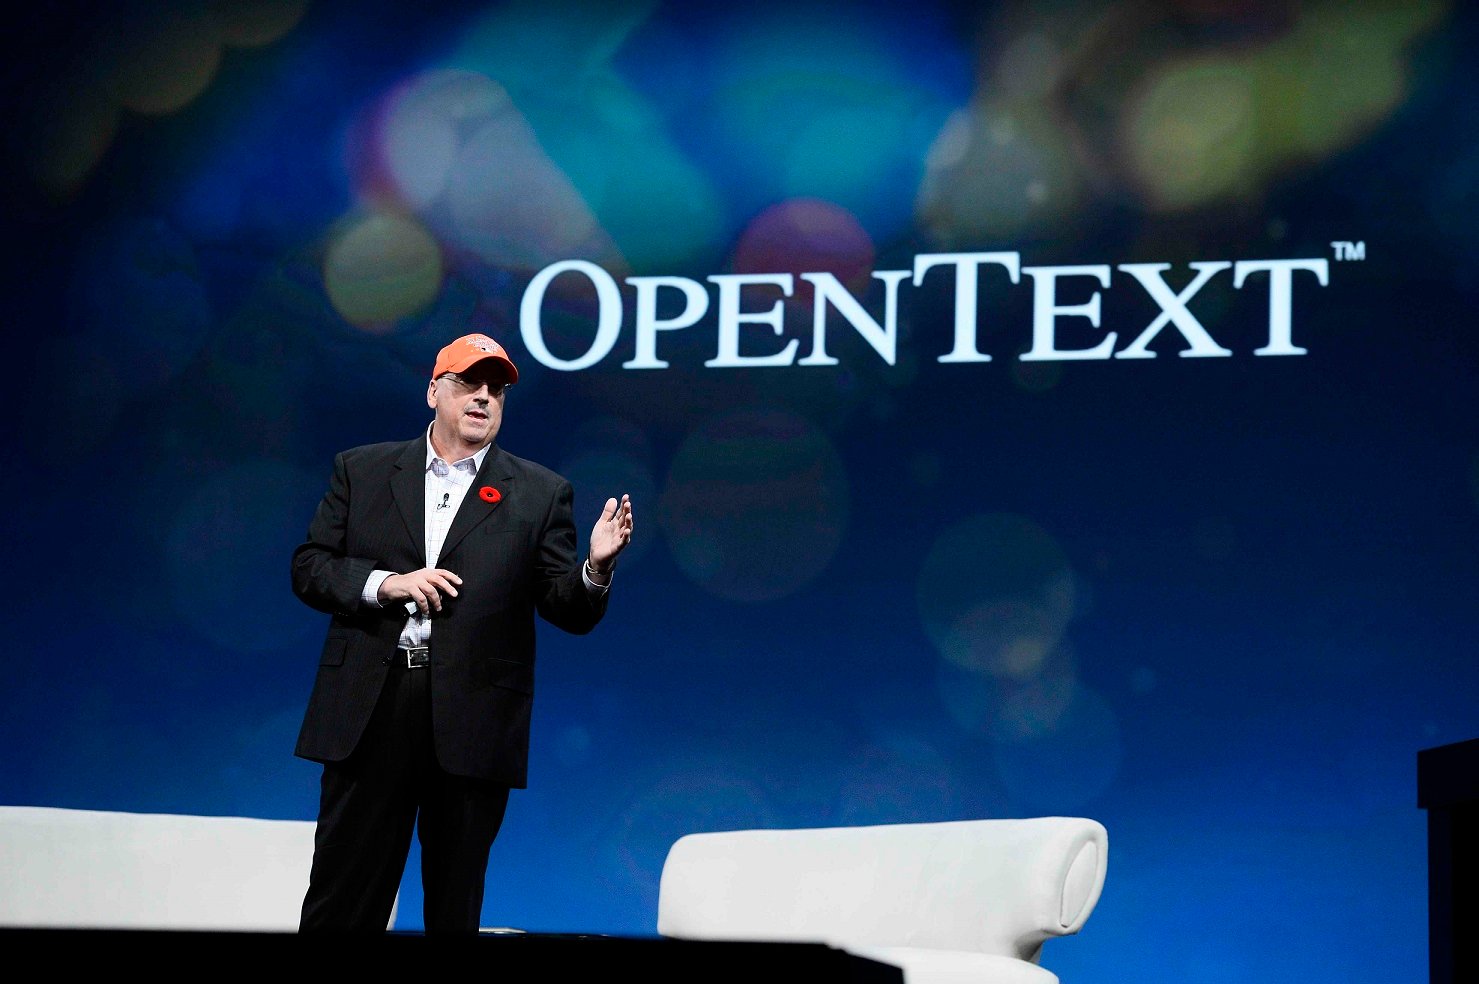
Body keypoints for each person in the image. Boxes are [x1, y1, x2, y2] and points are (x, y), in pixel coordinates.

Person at [290, 332, 633, 934]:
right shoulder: (363, 470)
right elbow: (310, 567)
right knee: (342, 903)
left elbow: (568, 608)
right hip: (370, 712)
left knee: (454, 910)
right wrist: (384, 584)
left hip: (473, 720)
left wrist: (595, 568)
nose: (483, 398)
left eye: (496, 389)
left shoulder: (540, 492)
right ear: (433, 391)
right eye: (468, 383)